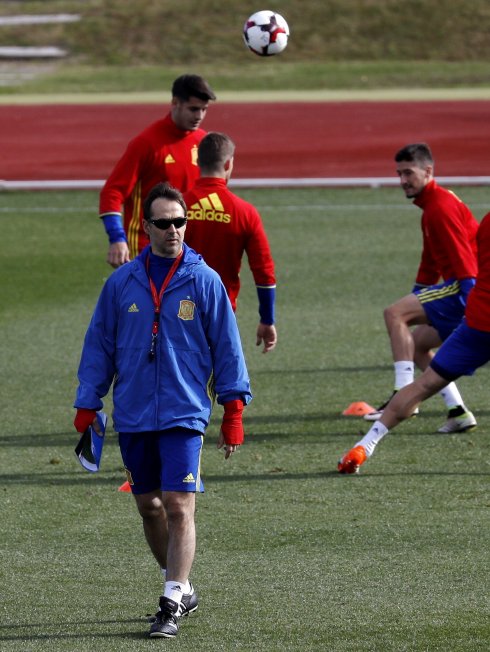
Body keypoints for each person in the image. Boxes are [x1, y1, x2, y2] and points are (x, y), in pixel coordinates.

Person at [74, 182, 252, 638]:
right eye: (164, 222)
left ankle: (170, 601)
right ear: (146, 227)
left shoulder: (204, 279)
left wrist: (233, 409)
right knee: (149, 507)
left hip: (185, 410)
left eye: (180, 221)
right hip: (133, 410)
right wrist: (87, 402)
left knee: (177, 505)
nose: (174, 229)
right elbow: (100, 345)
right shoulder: (121, 283)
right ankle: (183, 585)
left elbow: (228, 348)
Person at [338, 211, 490, 474]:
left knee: (424, 384)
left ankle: (365, 445)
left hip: (478, 321)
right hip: (476, 315)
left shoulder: (487, 221)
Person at [363, 143, 479, 433]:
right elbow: (430, 261)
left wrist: (473, 307)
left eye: (408, 173)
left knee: (394, 314)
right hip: (466, 288)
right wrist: (418, 293)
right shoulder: (432, 207)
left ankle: (402, 398)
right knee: (415, 344)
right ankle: (459, 412)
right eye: (399, 173)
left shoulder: (440, 208)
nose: (402, 180)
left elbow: (466, 266)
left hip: (468, 288)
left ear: (428, 171)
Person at [99, 74, 216, 269]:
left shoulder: (203, 142)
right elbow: (112, 192)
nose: (199, 116)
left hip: (187, 250)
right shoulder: (146, 144)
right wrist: (117, 238)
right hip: (147, 250)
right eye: (193, 109)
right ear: (175, 103)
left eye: (204, 110)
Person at [183, 132, 277, 353]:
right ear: (228, 163)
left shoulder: (175, 207)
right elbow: (263, 271)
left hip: (174, 310)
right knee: (217, 380)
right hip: (220, 313)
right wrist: (267, 319)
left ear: (198, 162)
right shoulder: (245, 212)